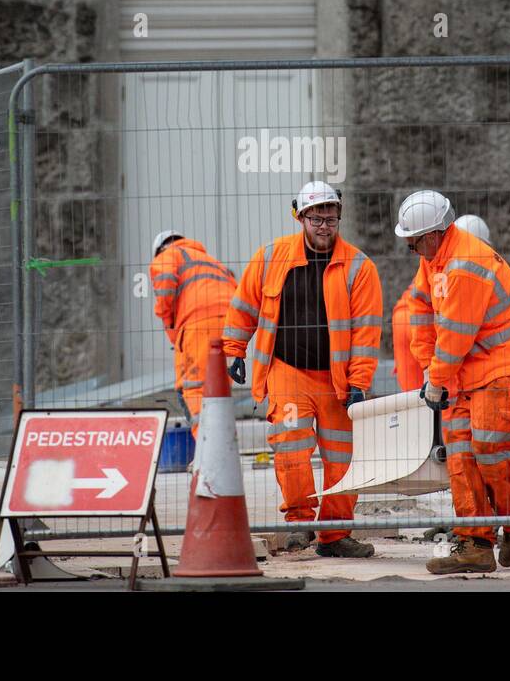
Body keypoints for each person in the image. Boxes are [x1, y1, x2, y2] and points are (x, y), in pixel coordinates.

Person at [223, 181, 382, 558]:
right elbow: (243, 306)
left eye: (331, 218)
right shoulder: (271, 258)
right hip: (287, 372)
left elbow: (366, 331)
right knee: (292, 452)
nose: (324, 226)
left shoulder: (359, 267)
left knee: (343, 459)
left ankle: (335, 535)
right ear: (300, 217)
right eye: (316, 218)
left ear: (339, 218)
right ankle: (299, 524)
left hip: (337, 379)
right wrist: (234, 350)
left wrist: (359, 382)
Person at [397, 191, 510, 574]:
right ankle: (475, 543)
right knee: (461, 454)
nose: (412, 250)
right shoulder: (434, 259)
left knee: (490, 448)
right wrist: (431, 368)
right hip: (463, 371)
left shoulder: (466, 264)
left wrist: (436, 378)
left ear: (434, 234)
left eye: (414, 243)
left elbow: (457, 333)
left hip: (503, 366)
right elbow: (420, 307)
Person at [148, 230, 237, 438]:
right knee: (219, 392)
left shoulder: (169, 254)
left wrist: (171, 326)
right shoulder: (212, 262)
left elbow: (164, 289)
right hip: (230, 325)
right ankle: (223, 447)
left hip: (198, 324)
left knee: (195, 389)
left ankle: (208, 452)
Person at [391, 215, 491, 393]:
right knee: (443, 397)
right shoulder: (462, 267)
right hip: (422, 327)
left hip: (406, 320)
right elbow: (455, 329)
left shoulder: (439, 262)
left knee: (416, 400)